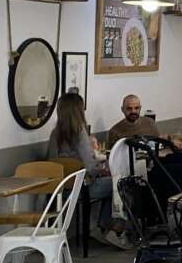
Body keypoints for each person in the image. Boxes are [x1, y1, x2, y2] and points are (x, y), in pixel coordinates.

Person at [47, 92, 131, 250]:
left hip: (60, 190)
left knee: (112, 187)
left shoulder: (55, 134)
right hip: (82, 188)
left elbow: (53, 162)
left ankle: (103, 227)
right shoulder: (79, 133)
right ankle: (114, 229)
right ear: (78, 111)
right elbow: (90, 168)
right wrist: (103, 167)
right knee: (122, 182)